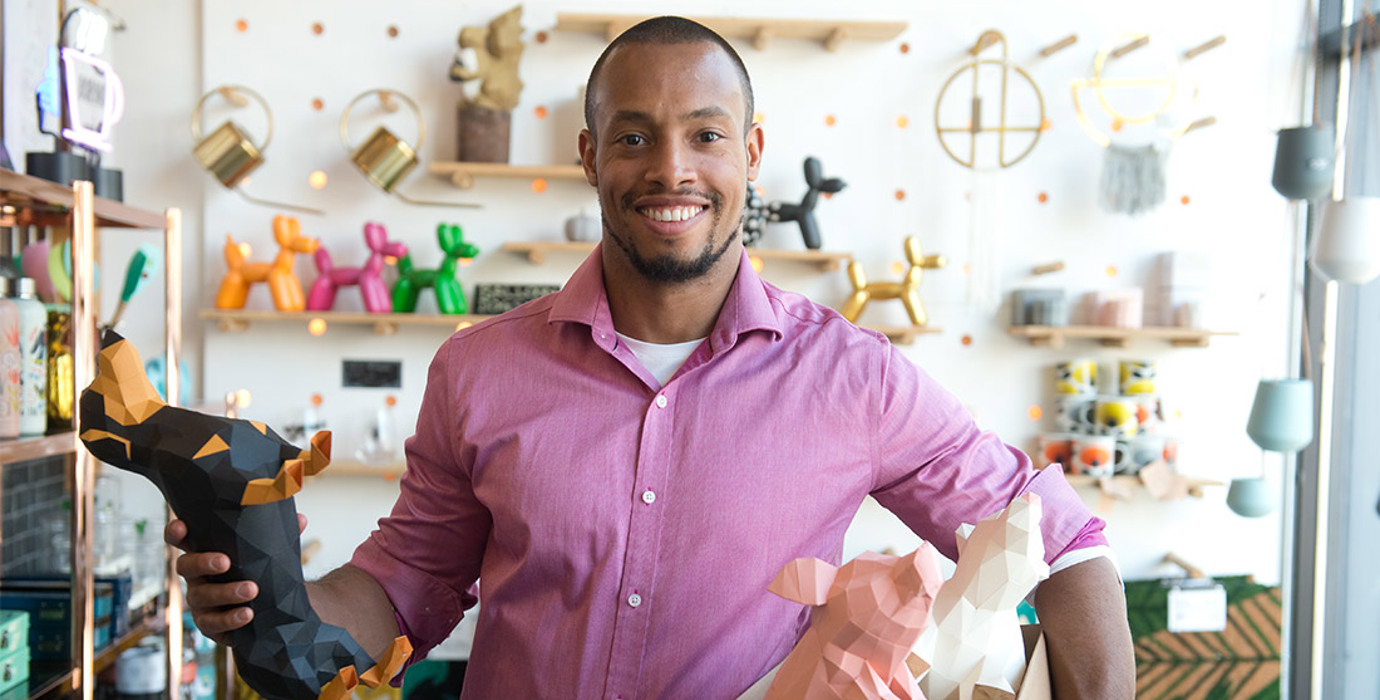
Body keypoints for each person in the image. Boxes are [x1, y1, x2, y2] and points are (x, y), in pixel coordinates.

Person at [172, 16, 1135, 699]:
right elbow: (406, 582)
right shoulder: (478, 372)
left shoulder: (855, 379)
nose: (671, 167)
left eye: (704, 135)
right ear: (590, 156)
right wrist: (271, 600)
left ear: (751, 153)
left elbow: (1060, 539)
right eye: (634, 136)